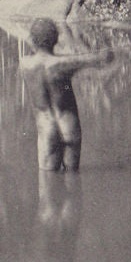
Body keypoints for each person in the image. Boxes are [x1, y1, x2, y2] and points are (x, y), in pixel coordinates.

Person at [19, 18, 113, 171]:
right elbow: (105, 59)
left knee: (48, 184)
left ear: (32, 40)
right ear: (56, 39)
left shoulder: (24, 64)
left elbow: (36, 52)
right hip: (69, 126)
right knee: (72, 177)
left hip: (46, 129)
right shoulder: (64, 64)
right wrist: (105, 38)